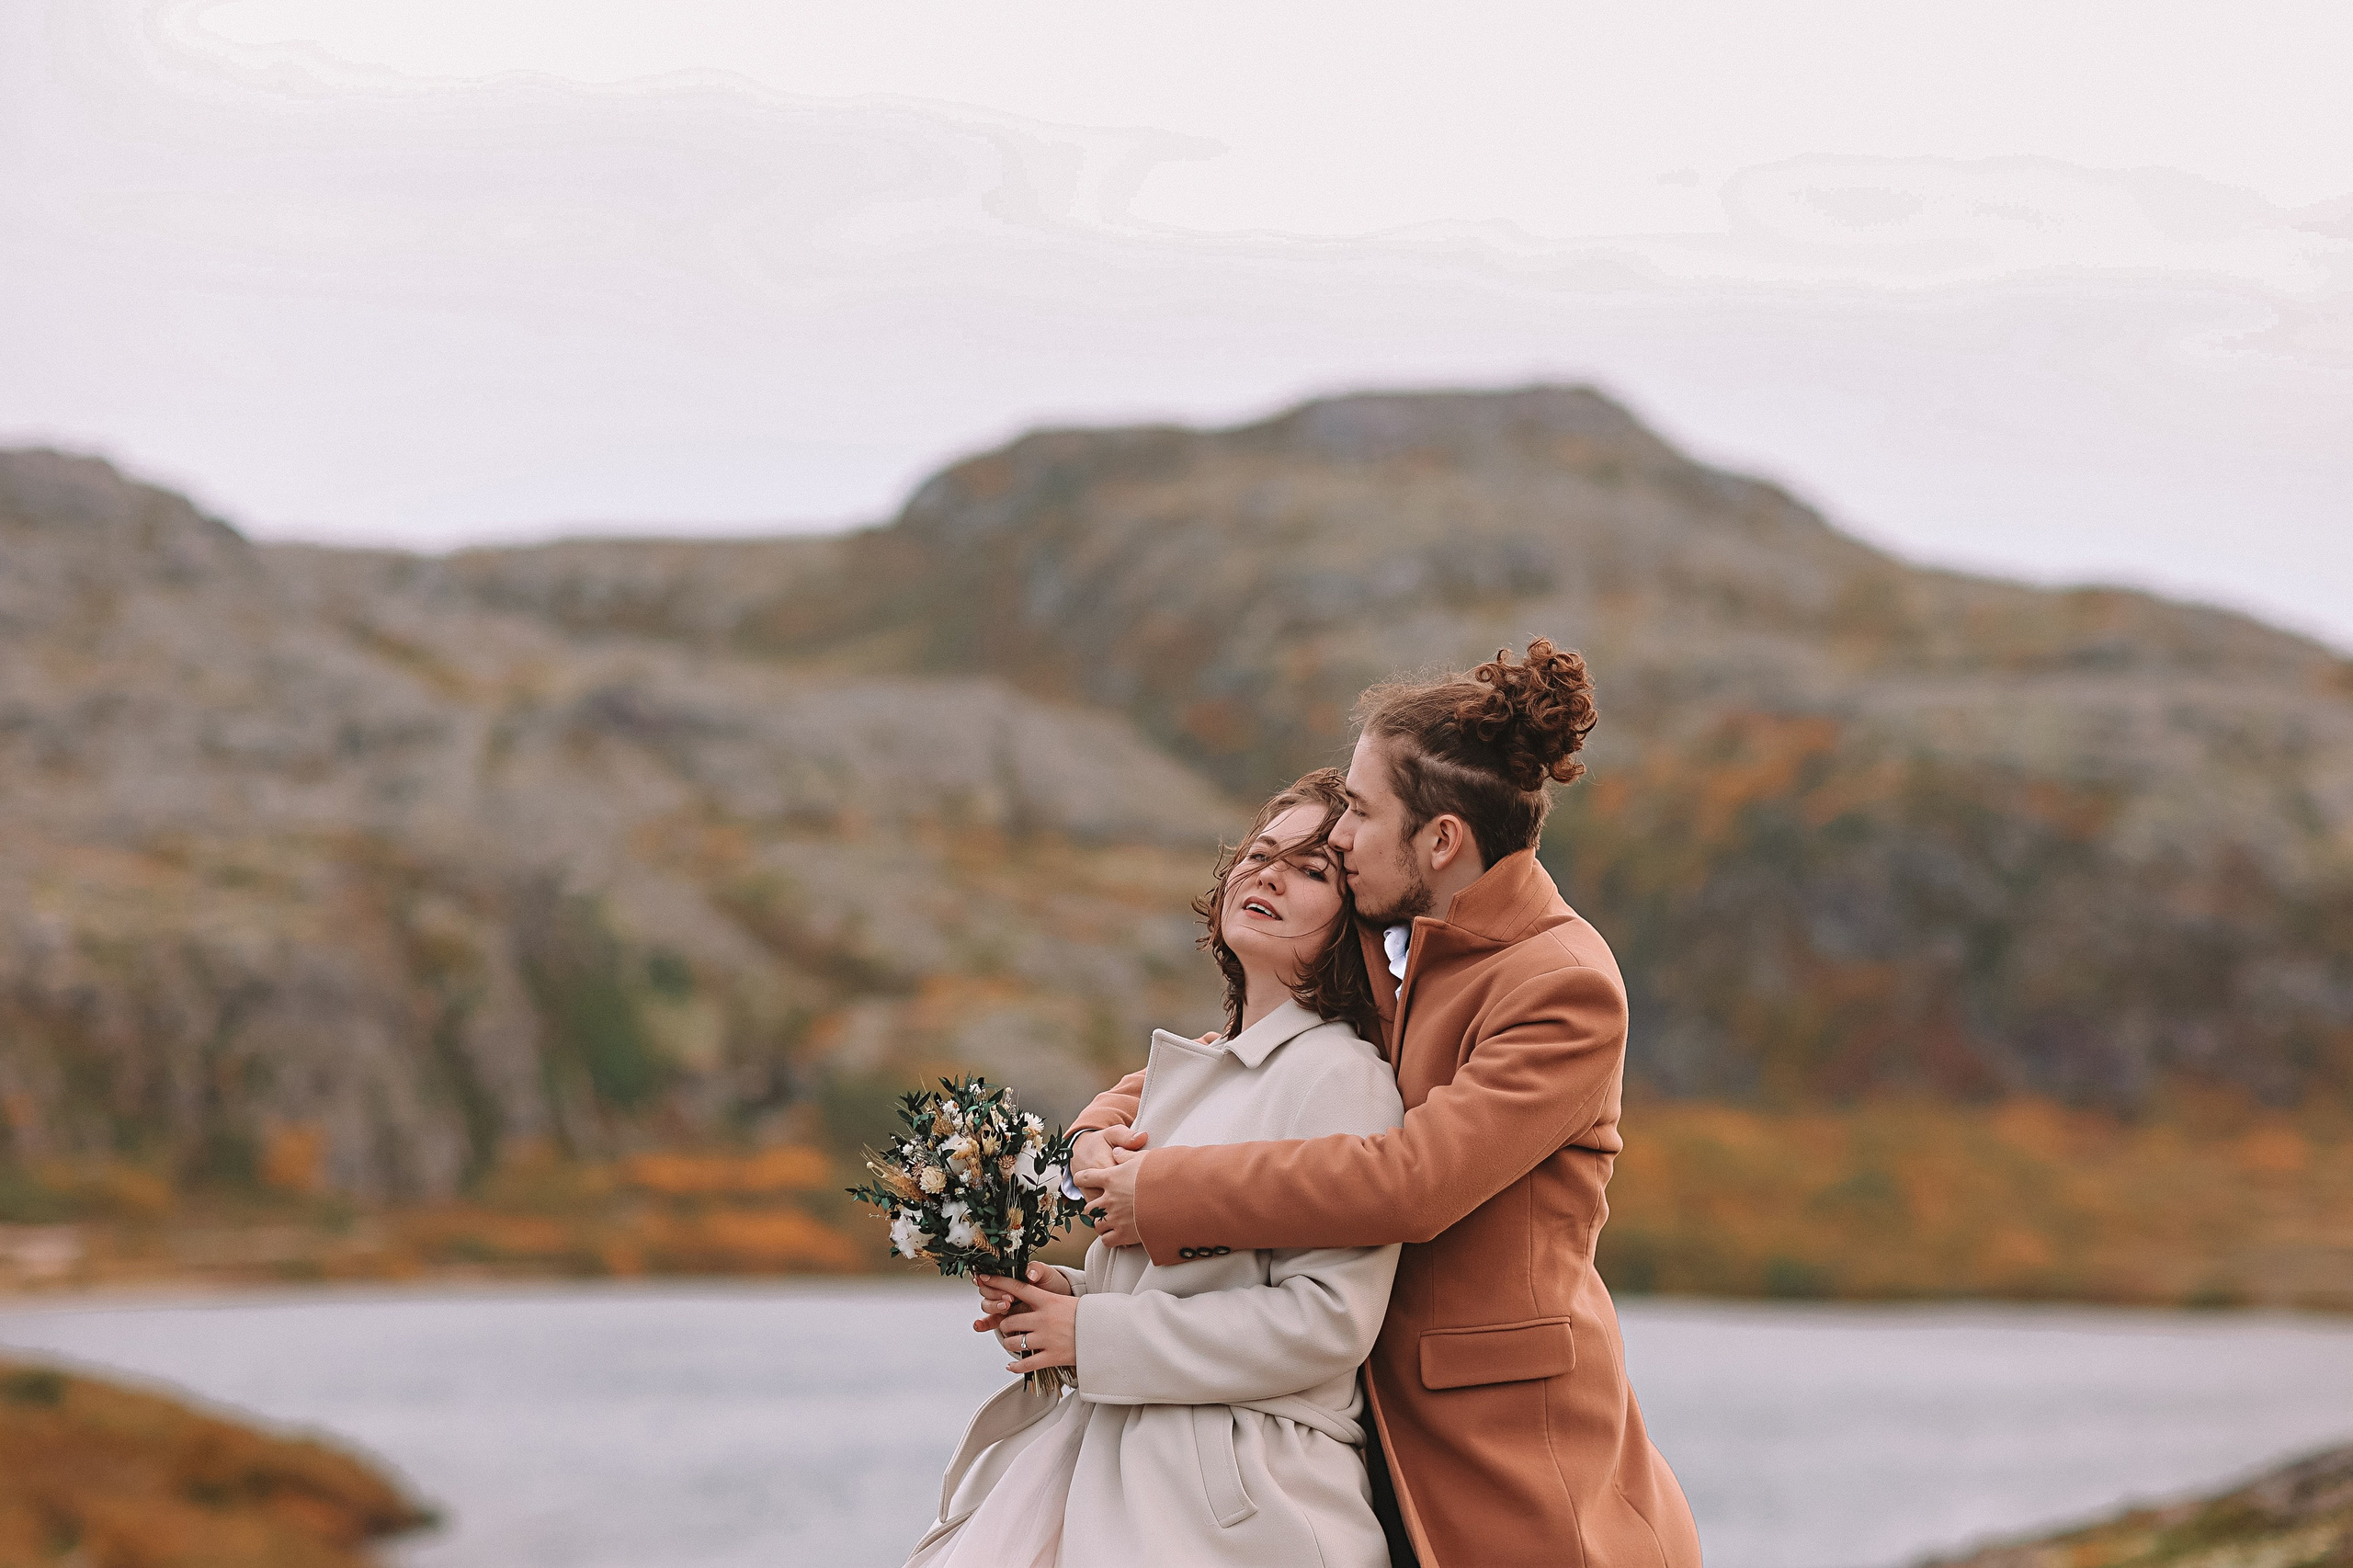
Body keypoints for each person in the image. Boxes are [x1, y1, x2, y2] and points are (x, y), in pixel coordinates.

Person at [1068, 640, 1704, 1568]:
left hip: (1509, 1452)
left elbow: (1415, 1179)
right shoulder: (1390, 936)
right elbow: (1246, 1057)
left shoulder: (1563, 983)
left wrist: (1163, 1191)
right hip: (1349, 1435)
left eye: (1360, 814)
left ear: (1440, 839)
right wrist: (1101, 1123)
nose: (1338, 839)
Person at [906, 770, 1406, 1568]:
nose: (1268, 874)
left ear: (1356, 923)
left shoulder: (1340, 1078)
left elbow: (1328, 1323)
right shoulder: (1195, 1070)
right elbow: (1187, 1287)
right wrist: (1059, 1304)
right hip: (1112, 1470)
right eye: (1261, 853)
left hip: (1233, 1508)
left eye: (1313, 871)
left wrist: (1092, 1332)